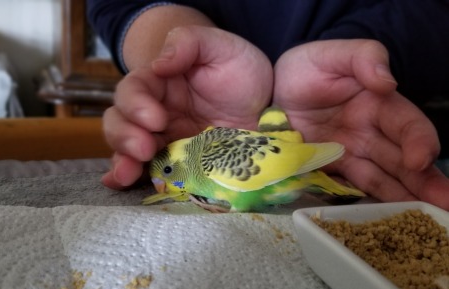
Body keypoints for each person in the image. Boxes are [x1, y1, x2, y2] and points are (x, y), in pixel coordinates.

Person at [87, 0, 449, 210]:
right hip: (212, 105)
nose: (164, 184)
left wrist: (360, 57)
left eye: (167, 174)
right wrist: (180, 64)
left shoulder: (214, 164)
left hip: (379, 125)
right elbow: (118, 4)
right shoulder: (200, 154)